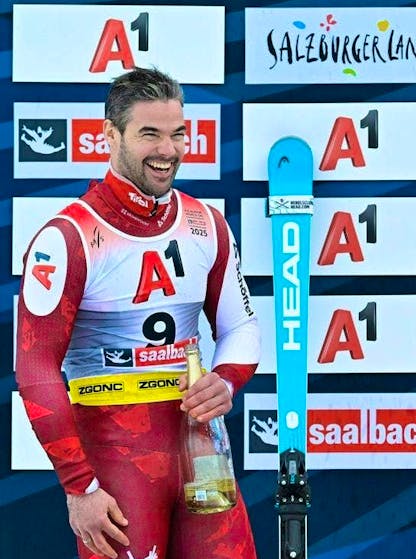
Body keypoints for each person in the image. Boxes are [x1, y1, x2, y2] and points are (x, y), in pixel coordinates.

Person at [15, 67, 260, 559]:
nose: (168, 150)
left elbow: (241, 326)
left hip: (201, 450)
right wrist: (79, 487)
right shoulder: (68, 237)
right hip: (115, 460)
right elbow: (35, 367)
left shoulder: (206, 223)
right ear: (110, 135)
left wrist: (226, 379)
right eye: (150, 134)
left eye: (178, 134)